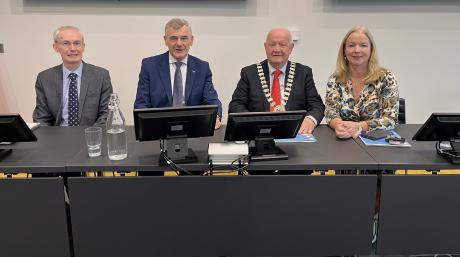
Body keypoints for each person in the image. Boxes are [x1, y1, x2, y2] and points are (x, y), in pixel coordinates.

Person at [228, 27, 325, 135]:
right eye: (272, 44)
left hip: (295, 135)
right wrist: (252, 123)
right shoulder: (249, 73)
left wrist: (310, 120)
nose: (277, 49)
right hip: (258, 134)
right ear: (265, 47)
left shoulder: (303, 73)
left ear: (291, 47)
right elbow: (236, 105)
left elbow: (316, 105)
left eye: (282, 44)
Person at [134, 18, 223, 130]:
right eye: (173, 38)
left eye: (184, 38)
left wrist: (216, 116)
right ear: (165, 40)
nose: (179, 43)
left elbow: (211, 100)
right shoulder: (150, 66)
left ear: (191, 40)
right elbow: (141, 104)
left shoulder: (202, 67)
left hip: (193, 130)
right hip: (159, 131)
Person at [325, 26, 399, 139]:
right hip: (343, 141)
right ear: (344, 50)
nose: (357, 50)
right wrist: (340, 126)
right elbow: (331, 113)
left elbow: (390, 119)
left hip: (376, 142)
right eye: (351, 45)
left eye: (363, 45)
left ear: (371, 50)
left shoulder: (386, 78)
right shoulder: (335, 79)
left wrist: (359, 126)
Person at [33, 26, 113, 126]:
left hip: (91, 136)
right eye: (66, 43)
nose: (72, 48)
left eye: (77, 43)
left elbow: (106, 114)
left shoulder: (101, 76)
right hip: (57, 137)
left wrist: (92, 135)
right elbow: (41, 118)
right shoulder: (45, 78)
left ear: (83, 46)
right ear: (56, 47)